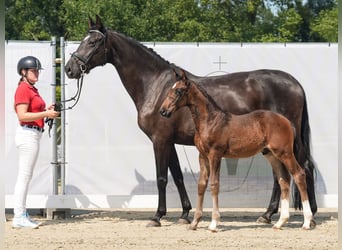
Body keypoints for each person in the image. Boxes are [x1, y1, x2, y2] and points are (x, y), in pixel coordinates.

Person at [12, 56, 60, 229]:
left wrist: (46, 110)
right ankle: (19, 215)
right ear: (24, 72)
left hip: (33, 134)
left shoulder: (31, 89)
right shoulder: (24, 89)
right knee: (24, 177)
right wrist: (45, 115)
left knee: (25, 176)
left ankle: (21, 214)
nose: (37, 73)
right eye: (33, 70)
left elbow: (33, 111)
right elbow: (22, 115)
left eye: (38, 70)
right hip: (28, 135)